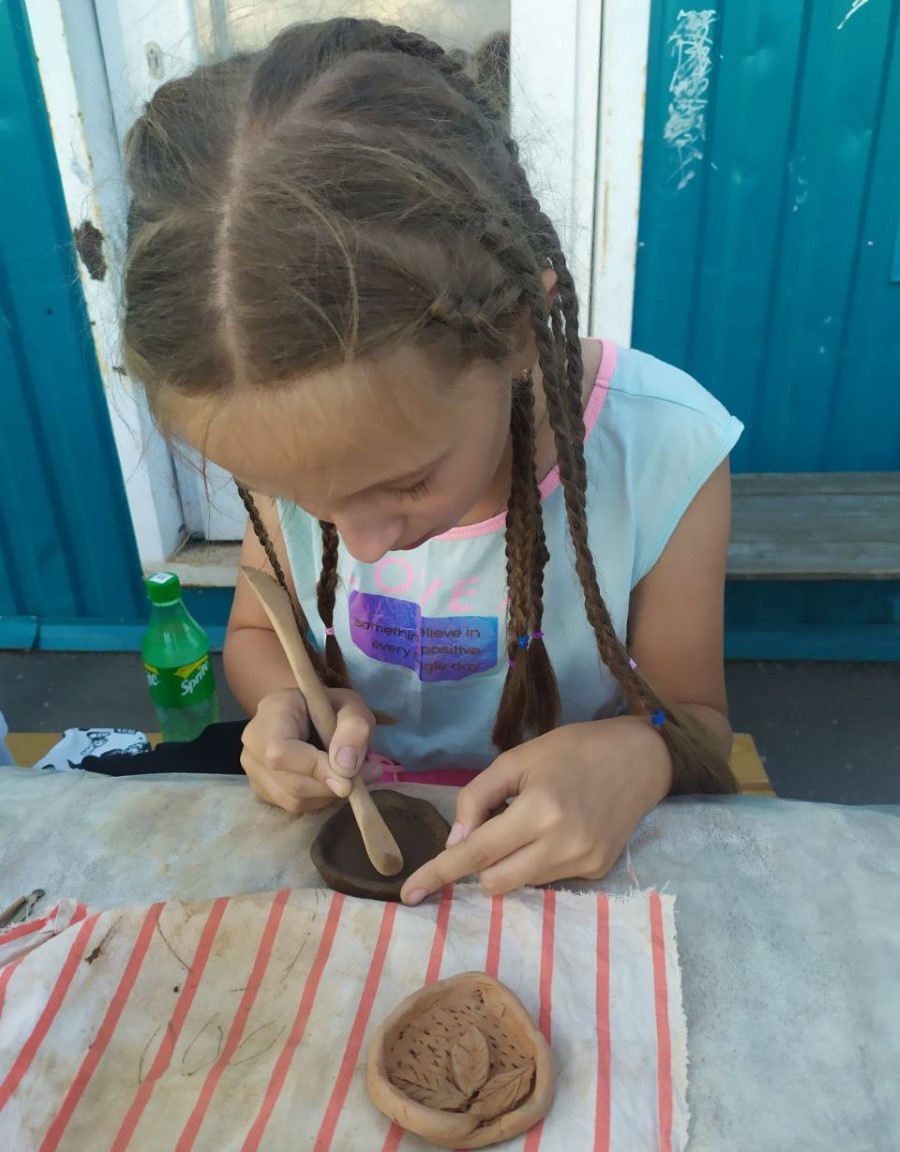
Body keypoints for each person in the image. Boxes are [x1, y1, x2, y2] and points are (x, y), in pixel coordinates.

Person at [121, 17, 742, 903]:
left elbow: (702, 726)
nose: (362, 545)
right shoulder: (311, 453)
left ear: (518, 332)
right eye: (302, 500)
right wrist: (283, 706)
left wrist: (639, 755)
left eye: (407, 483)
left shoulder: (665, 451)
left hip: (564, 870)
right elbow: (259, 635)